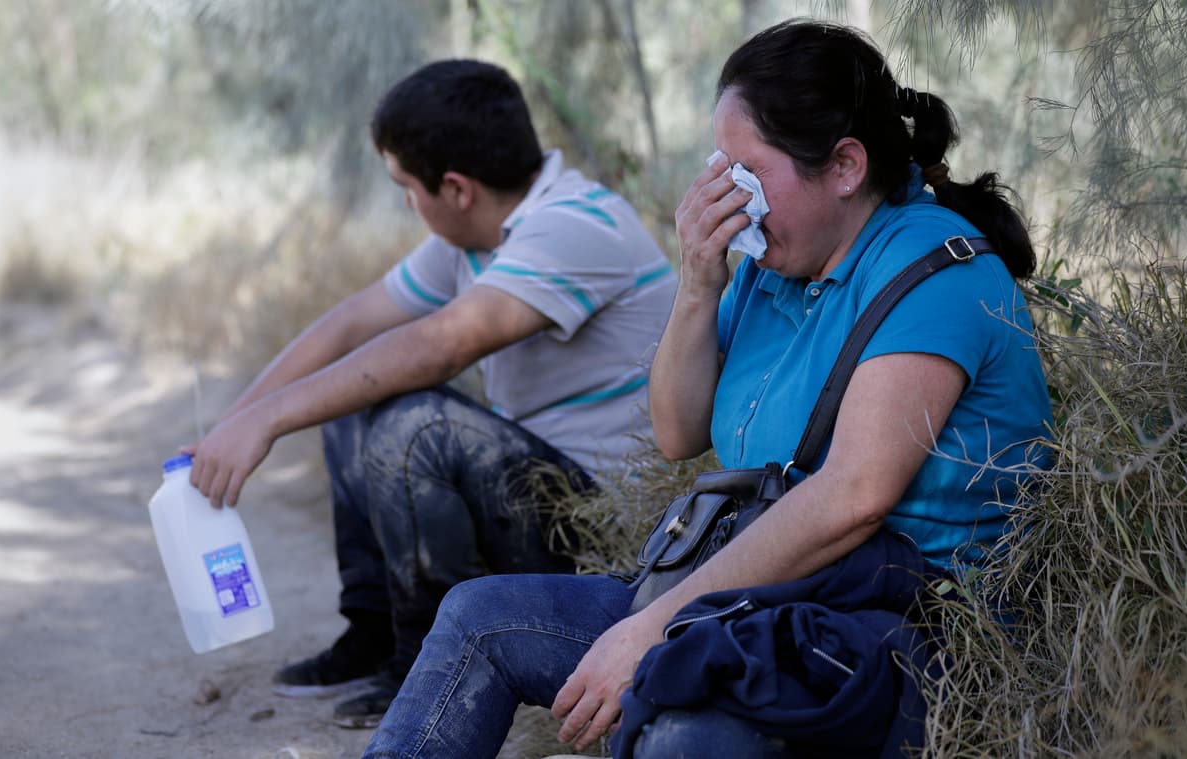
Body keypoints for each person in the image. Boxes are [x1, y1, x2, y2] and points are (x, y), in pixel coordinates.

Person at [360, 19, 1053, 759]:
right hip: (764, 597)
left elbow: (854, 497)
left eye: (747, 173)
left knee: (686, 732)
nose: (729, 197)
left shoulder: (935, 275)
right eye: (719, 169)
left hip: (899, 629)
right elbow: (677, 431)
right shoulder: (769, 265)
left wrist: (657, 624)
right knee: (479, 616)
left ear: (846, 166)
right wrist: (698, 280)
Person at [185, 59, 677, 728]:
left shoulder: (575, 224)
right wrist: (236, 423)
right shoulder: (470, 240)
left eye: (406, 188)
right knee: (354, 398)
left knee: (415, 424)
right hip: (538, 498)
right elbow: (351, 324)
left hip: (603, 528)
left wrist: (272, 419)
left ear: (456, 188)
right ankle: (377, 633)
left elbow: (443, 344)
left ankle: (425, 666)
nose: (407, 204)